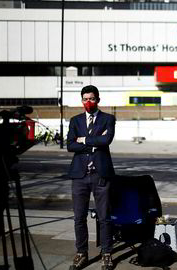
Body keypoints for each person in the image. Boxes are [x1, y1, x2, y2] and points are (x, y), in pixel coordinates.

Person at [67, 85, 116, 270]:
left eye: (92, 98)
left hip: (100, 174)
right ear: (82, 101)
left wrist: (84, 139)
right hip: (79, 175)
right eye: (85, 99)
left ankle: (106, 253)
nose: (88, 102)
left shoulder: (108, 119)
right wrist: (94, 143)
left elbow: (107, 140)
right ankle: (81, 253)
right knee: (79, 217)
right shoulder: (75, 120)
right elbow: (70, 145)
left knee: (104, 217)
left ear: (98, 100)